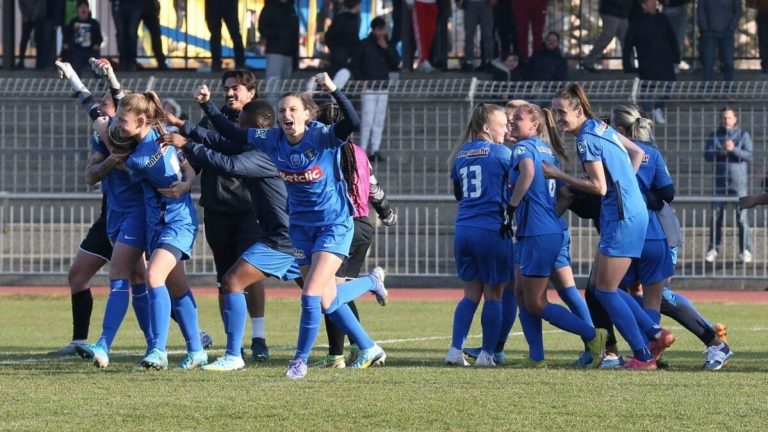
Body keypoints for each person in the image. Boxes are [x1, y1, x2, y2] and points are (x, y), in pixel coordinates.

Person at [195, 72, 389, 380]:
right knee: (327, 299)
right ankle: (368, 324)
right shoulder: (272, 140)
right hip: (300, 228)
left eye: (293, 109)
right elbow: (232, 134)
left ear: (307, 115)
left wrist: (334, 90)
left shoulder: (323, 136)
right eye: (283, 110)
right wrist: (207, 108)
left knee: (311, 294)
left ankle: (299, 362)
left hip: (333, 226)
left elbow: (351, 120)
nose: (286, 114)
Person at [161, 100, 303, 371]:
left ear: (253, 128)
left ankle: (234, 355)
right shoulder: (261, 143)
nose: (236, 129)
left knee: (232, 281)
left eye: (240, 125)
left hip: (282, 238)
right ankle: (368, 339)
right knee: (325, 295)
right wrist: (190, 126)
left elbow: (226, 163)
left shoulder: (263, 154)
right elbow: (221, 141)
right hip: (291, 235)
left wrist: (186, 144)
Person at [544, 83, 667, 370]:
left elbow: (598, 187)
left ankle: (644, 354)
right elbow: (636, 152)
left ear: (578, 110)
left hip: (621, 216)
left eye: (562, 111)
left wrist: (559, 174)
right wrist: (625, 186)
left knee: (606, 291)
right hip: (630, 211)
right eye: (554, 111)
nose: (558, 117)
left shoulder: (586, 139)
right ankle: (654, 333)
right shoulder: (601, 127)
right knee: (599, 287)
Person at [55, 61, 157, 368]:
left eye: (111, 108)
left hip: (140, 215)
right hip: (111, 216)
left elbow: (114, 95)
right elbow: (90, 174)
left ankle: (124, 343)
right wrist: (71, 74)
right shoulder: (106, 133)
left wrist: (111, 75)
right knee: (127, 277)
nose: (103, 111)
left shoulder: (142, 139)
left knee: (142, 277)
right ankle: (152, 344)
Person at [97, 91, 205, 370]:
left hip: (177, 222)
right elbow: (187, 163)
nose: (116, 124)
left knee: (153, 276)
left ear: (141, 120)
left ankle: (158, 350)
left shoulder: (139, 159)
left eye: (122, 119)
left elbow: (118, 158)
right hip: (157, 223)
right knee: (177, 287)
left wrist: (102, 132)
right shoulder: (163, 132)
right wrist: (188, 181)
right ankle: (197, 350)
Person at [506, 103, 607, 368]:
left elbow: (527, 173)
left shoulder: (523, 148)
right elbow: (565, 194)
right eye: (510, 117)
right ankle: (537, 357)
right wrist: (548, 216)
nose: (511, 121)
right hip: (552, 230)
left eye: (517, 118)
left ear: (534, 125)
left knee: (536, 302)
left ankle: (594, 337)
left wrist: (511, 208)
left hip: (536, 234)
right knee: (530, 292)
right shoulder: (548, 152)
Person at [193, 70, 272, 362]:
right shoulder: (211, 120)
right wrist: (181, 182)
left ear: (251, 93)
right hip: (216, 209)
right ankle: (233, 344)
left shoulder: (259, 123)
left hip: (251, 210)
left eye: (236, 88)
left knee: (249, 276)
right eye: (226, 88)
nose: (229, 93)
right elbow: (194, 159)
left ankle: (259, 337)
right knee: (224, 278)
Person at [312, 102, 398, 369]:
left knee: (329, 291)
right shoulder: (359, 152)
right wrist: (386, 213)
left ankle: (360, 345)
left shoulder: (324, 151)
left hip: (340, 227)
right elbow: (373, 188)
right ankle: (339, 354)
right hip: (361, 226)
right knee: (335, 292)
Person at [443, 103, 513, 367]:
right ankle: (486, 354)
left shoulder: (461, 154)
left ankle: (454, 350)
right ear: (486, 127)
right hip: (491, 228)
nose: (507, 129)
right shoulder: (501, 153)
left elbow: (459, 193)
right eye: (502, 124)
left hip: (464, 229)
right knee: (494, 294)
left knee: (470, 293)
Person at [609, 103, 676, 361]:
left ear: (620, 128)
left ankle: (640, 351)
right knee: (652, 302)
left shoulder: (615, 152)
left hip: (625, 233)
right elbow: (668, 194)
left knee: (608, 291)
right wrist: (650, 198)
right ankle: (650, 352)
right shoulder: (653, 153)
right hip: (654, 234)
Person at [703, 107, 753, 263]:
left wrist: (734, 149)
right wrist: (722, 150)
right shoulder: (715, 135)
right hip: (719, 182)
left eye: (729, 118)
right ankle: (713, 249)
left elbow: (749, 155)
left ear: (735, 119)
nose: (726, 121)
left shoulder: (743, 134)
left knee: (742, 218)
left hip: (739, 183)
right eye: (724, 118)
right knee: (716, 216)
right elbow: (707, 155)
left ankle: (745, 250)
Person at [622, 0, 679, 125]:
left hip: (665, 61)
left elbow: (672, 39)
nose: (654, 4)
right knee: (646, 90)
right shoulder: (637, 22)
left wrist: (676, 58)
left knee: (670, 86)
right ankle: (646, 116)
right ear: (644, 5)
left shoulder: (663, 19)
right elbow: (628, 44)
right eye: (650, 2)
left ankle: (658, 107)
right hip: (647, 62)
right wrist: (627, 64)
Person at [356, 16, 401, 162]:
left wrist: (386, 47)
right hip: (369, 87)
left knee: (379, 119)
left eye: (384, 30)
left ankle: (375, 149)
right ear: (374, 30)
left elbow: (396, 62)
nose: (382, 33)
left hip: (383, 86)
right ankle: (363, 150)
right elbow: (356, 64)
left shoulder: (387, 44)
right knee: (367, 119)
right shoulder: (365, 44)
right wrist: (361, 80)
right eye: (380, 30)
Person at [259, 0, 300, 105]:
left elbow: (295, 35)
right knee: (273, 88)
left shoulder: (291, 8)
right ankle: (273, 116)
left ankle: (281, 115)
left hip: (289, 53)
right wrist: (279, 34)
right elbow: (263, 28)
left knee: (285, 89)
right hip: (275, 50)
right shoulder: (270, 7)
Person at [581, 0, 634, 73]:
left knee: (626, 40)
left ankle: (630, 65)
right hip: (612, 11)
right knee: (608, 36)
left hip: (620, 12)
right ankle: (588, 62)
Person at [697, 0, 741, 81]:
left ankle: (729, 88)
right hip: (709, 33)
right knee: (708, 62)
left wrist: (731, 28)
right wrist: (705, 27)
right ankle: (708, 89)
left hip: (727, 32)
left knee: (728, 61)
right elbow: (700, 10)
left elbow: (738, 11)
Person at [324, 0, 361, 77]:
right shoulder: (350, 19)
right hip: (343, 55)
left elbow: (329, 37)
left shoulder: (340, 17)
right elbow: (352, 39)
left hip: (339, 54)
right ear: (356, 5)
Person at [205, 0, 245, 70]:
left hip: (213, 4)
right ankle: (240, 62)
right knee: (234, 33)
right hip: (228, 4)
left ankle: (216, 62)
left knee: (215, 35)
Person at [460, 0, 494, 72]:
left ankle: (489, 61)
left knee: (487, 35)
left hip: (486, 3)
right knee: (469, 35)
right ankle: (469, 62)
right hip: (470, 3)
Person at [407, 0, 438, 72]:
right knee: (420, 32)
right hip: (419, 2)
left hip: (432, 2)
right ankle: (423, 59)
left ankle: (424, 60)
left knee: (431, 31)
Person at [15, 0, 47, 69]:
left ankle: (39, 63)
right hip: (29, 17)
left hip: (38, 17)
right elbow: (21, 3)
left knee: (38, 40)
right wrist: (25, 15)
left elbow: (41, 3)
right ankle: (21, 61)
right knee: (24, 39)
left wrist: (33, 16)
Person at [140, 0, 168, 70]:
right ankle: (161, 61)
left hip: (144, 5)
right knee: (155, 34)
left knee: (155, 34)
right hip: (148, 5)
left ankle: (129, 62)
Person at [662, 0, 692, 65]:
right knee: (666, 39)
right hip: (669, 7)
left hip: (679, 7)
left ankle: (675, 64)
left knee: (678, 39)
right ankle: (669, 64)